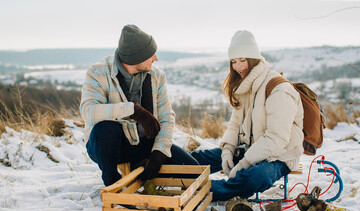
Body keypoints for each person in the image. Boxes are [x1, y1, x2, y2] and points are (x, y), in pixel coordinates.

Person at [191, 30, 304, 201]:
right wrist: (228, 150)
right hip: (251, 149)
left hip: (278, 156)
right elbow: (235, 123)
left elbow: (277, 139)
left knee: (254, 177)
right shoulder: (244, 86)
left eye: (242, 60)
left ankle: (202, 191)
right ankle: (172, 174)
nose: (238, 67)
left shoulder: (279, 90)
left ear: (253, 59)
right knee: (202, 157)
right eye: (233, 62)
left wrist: (244, 163)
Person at [80, 24, 197, 186]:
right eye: (151, 54)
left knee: (194, 172)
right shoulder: (98, 73)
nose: (155, 58)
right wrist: (132, 110)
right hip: (109, 145)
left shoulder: (157, 76)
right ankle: (112, 182)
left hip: (144, 144)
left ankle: (139, 166)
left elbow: (166, 119)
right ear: (136, 57)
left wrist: (158, 154)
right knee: (106, 128)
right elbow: (88, 111)